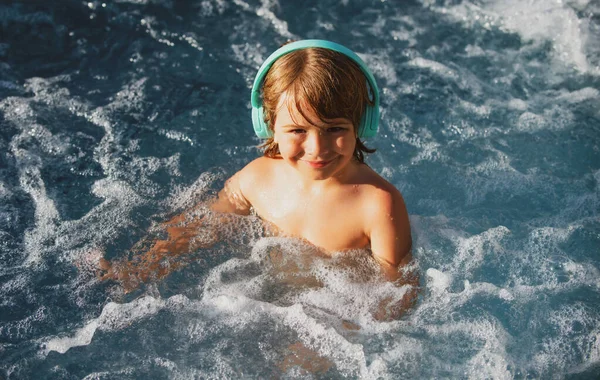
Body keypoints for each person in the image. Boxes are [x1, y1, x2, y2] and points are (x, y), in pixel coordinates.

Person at [99, 40, 417, 319]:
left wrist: (347, 327)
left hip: (334, 313)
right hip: (260, 299)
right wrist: (135, 272)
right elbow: (199, 226)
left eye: (335, 129)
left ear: (361, 125)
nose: (317, 148)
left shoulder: (377, 204)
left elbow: (398, 291)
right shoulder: (258, 178)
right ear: (268, 125)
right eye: (297, 131)